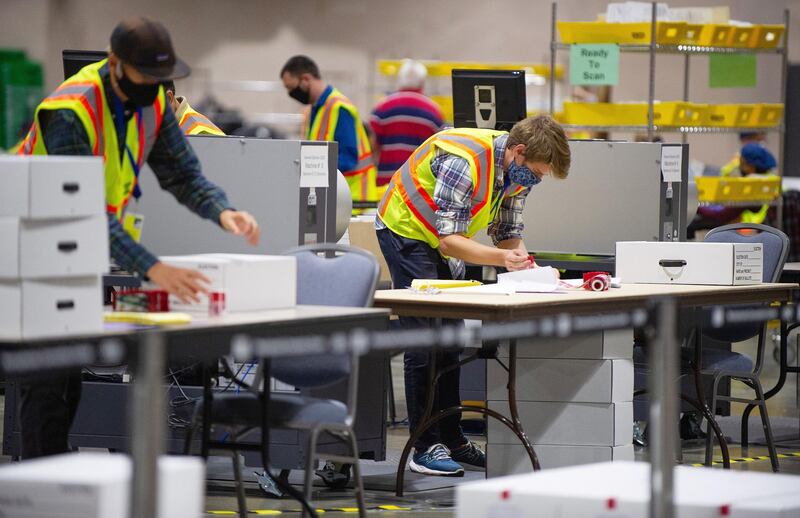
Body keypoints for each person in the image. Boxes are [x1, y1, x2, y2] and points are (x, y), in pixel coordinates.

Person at [15, 17, 259, 459]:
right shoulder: (70, 111)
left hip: (78, 250)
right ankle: (38, 484)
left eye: (161, 78)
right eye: (146, 76)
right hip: (29, 246)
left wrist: (223, 210)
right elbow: (81, 213)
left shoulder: (153, 102)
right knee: (47, 382)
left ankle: (54, 479)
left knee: (71, 378)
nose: (154, 86)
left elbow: (182, 173)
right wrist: (154, 267)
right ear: (115, 65)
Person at [375, 115, 571, 476]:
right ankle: (423, 445)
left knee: (450, 339)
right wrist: (502, 260)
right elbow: (450, 240)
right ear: (519, 152)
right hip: (406, 229)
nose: (537, 180)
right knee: (425, 336)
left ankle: (452, 438)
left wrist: (529, 267)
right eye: (539, 173)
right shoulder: (465, 162)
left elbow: (507, 231)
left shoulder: (517, 172)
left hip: (444, 240)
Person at [280, 55, 377, 207]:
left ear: (305, 79)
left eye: (292, 88)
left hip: (354, 201)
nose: (291, 94)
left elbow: (348, 158)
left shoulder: (339, 108)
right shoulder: (315, 109)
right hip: (334, 199)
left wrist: (311, 171)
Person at [369, 59, 443, 196]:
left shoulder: (382, 107)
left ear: (400, 80)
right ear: (422, 82)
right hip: (418, 185)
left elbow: (372, 147)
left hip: (386, 184)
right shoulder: (434, 111)